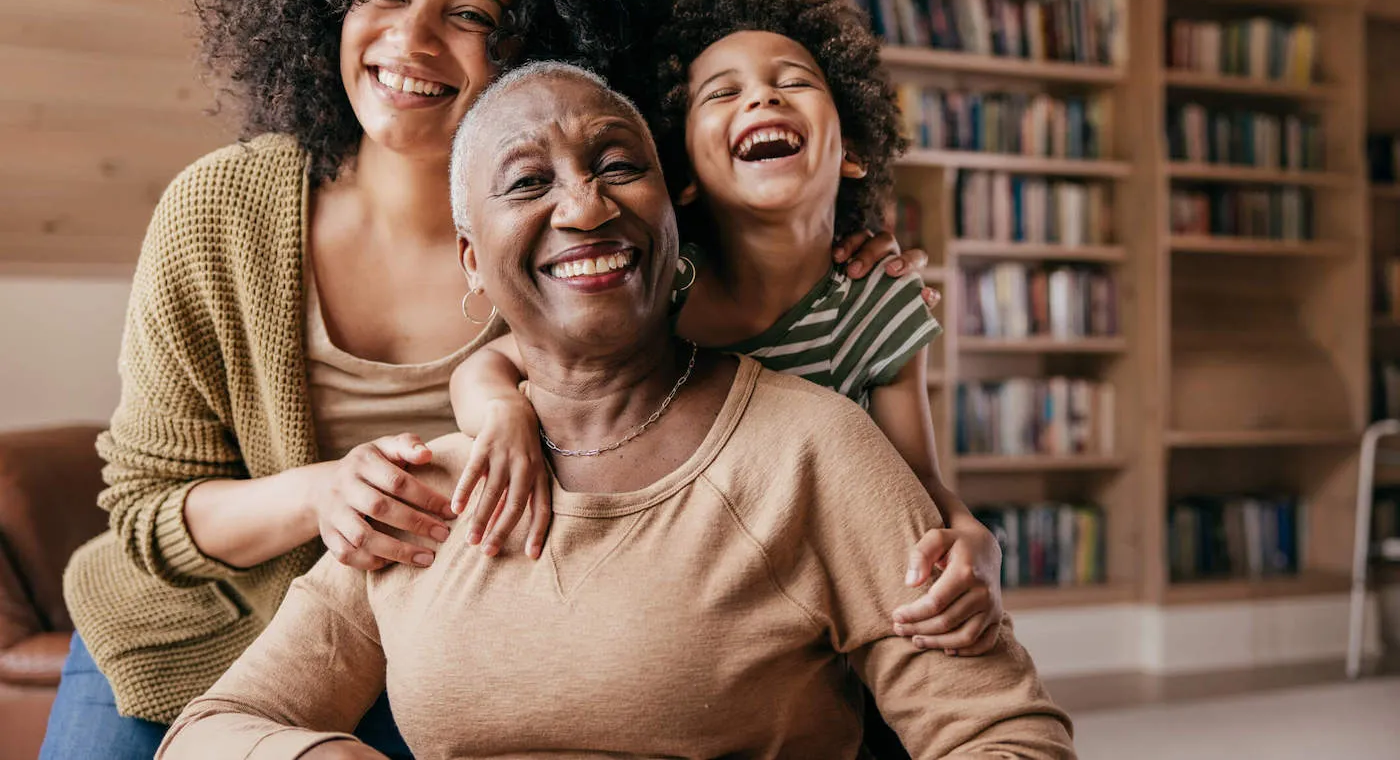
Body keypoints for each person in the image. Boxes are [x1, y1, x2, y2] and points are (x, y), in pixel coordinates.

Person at [42, 0, 915, 758]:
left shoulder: (588, 239)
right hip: (178, 637)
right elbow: (146, 511)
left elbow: (774, 333)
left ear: (536, 42)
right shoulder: (220, 211)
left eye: (471, 13)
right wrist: (327, 494)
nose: (412, 40)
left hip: (438, 637)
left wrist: (863, 261)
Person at [156, 62, 1075, 760]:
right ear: (474, 262)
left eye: (617, 166)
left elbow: (1005, 736)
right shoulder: (421, 492)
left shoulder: (813, 448)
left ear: (674, 218)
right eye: (527, 182)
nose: (585, 207)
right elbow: (212, 727)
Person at [448, 0, 1004, 658]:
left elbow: (916, 484)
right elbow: (490, 365)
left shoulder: (880, 302)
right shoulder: (658, 286)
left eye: (794, 81)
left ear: (853, 149)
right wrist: (502, 413)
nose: (764, 97)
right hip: (668, 590)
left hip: (813, 600)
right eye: (724, 92)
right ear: (679, 177)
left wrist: (977, 541)